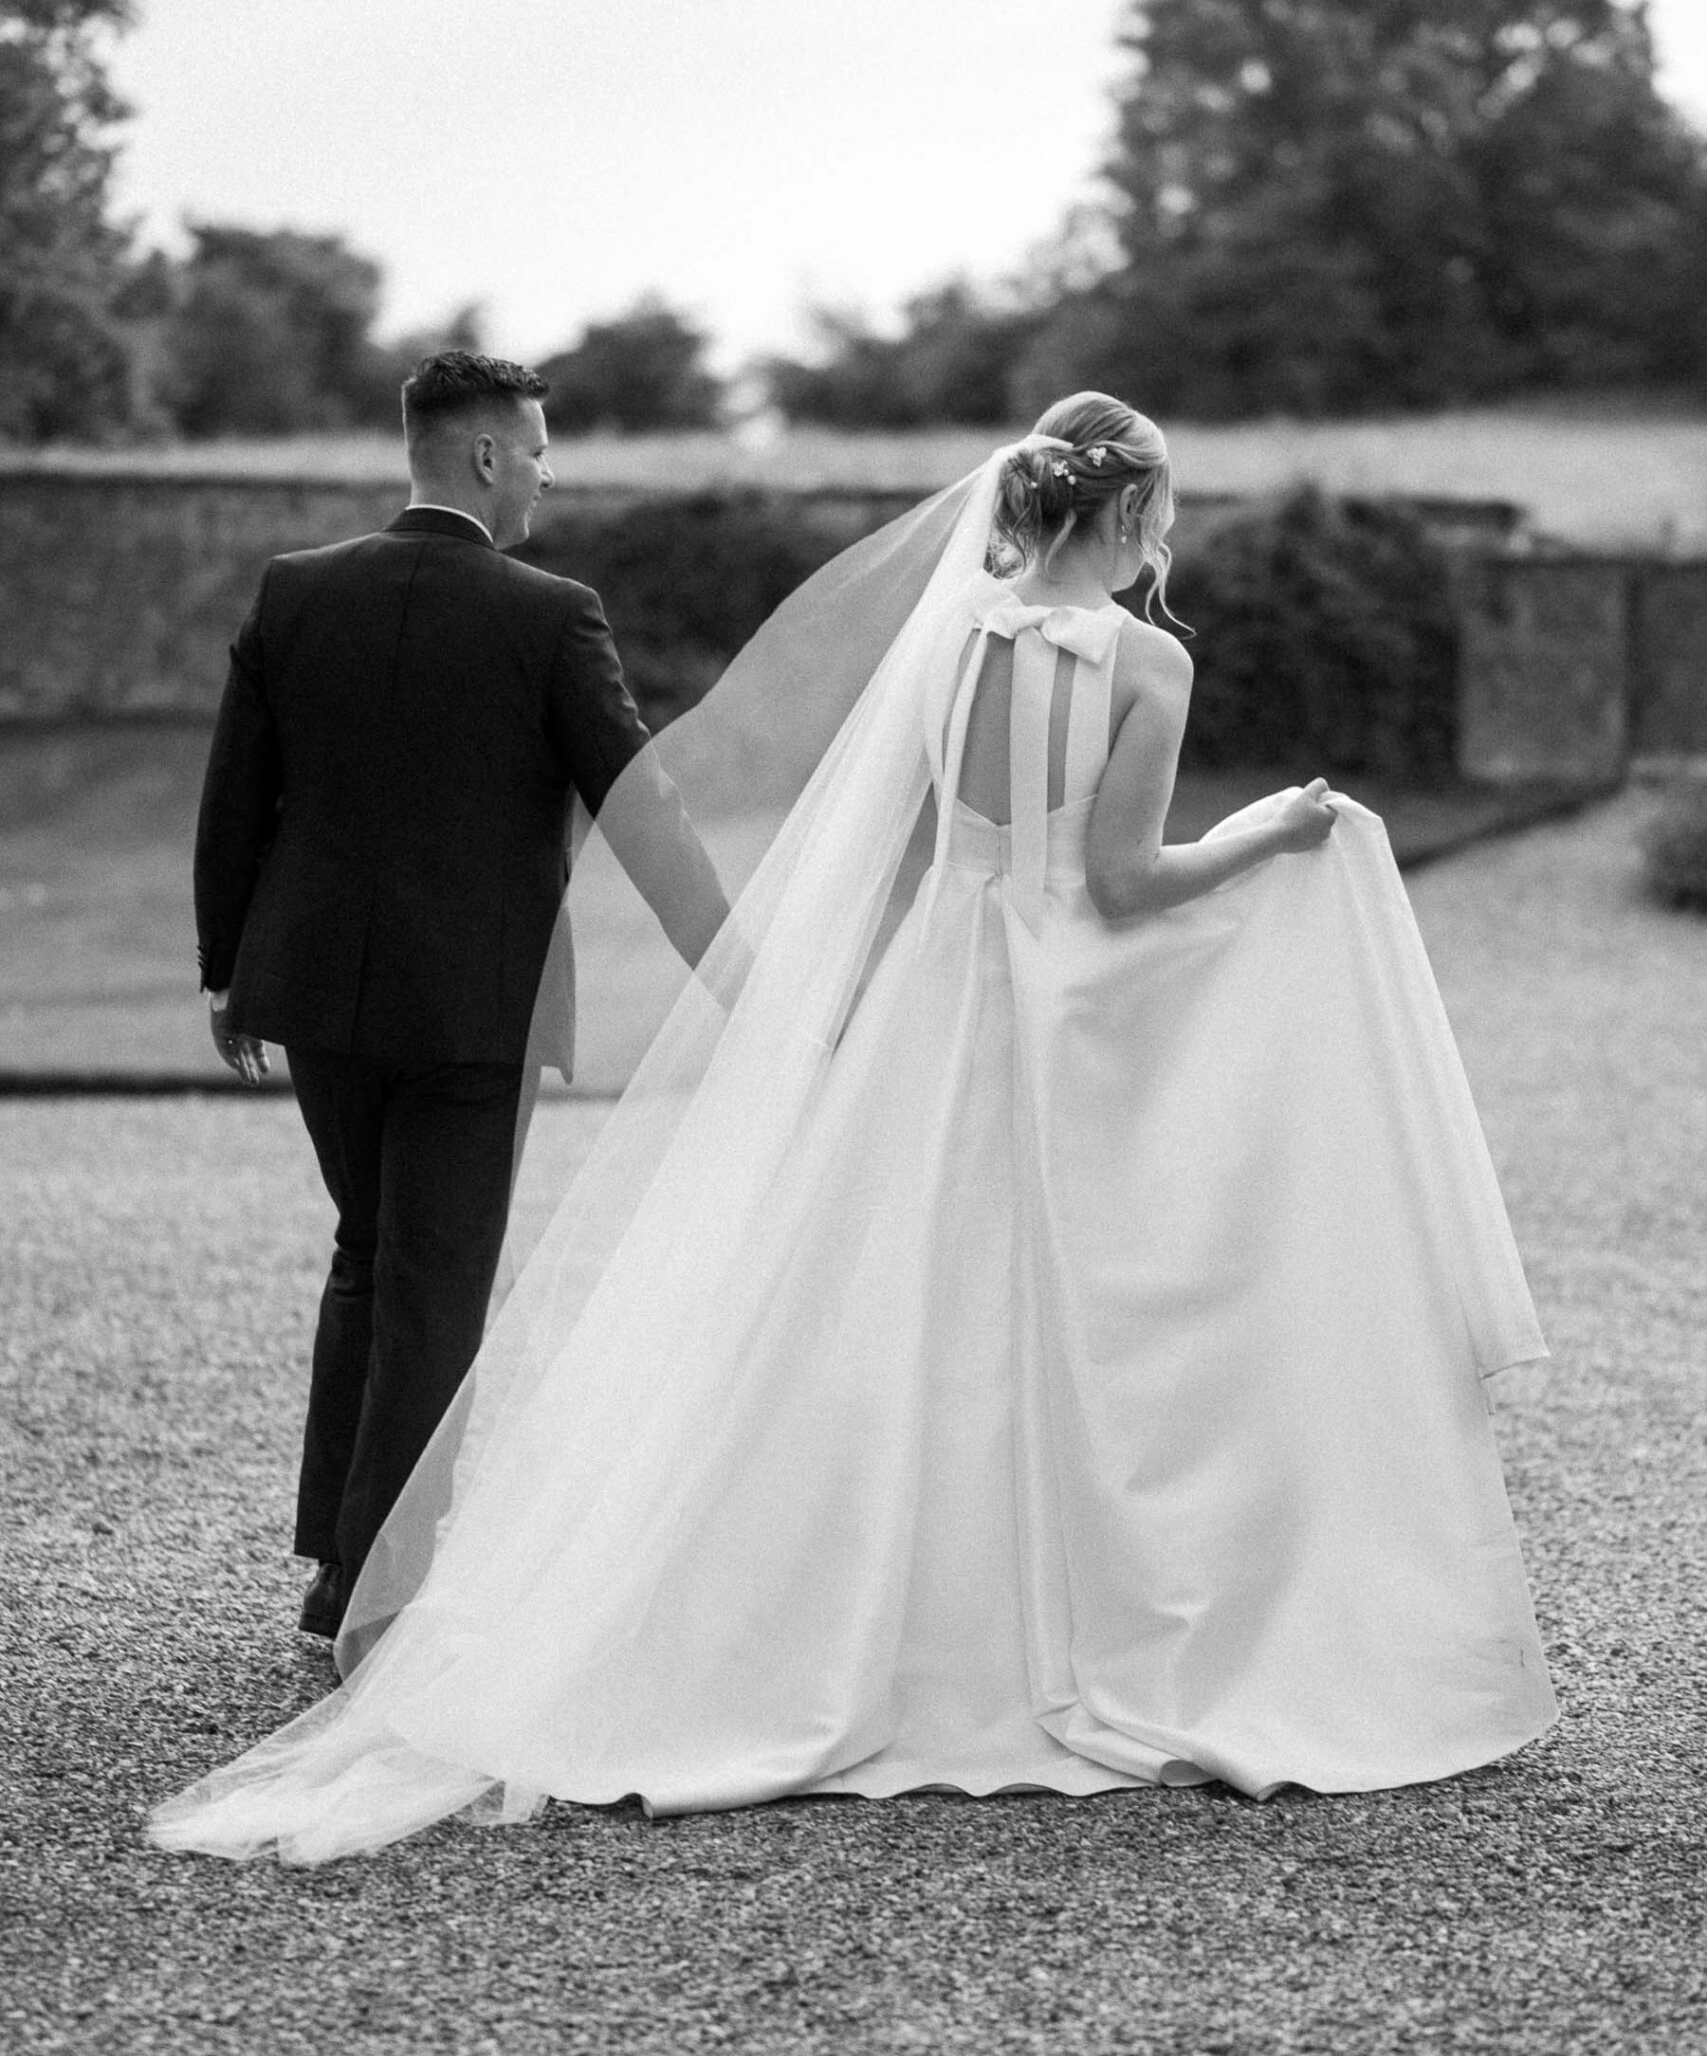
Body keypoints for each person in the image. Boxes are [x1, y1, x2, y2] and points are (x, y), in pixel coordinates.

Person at [153, 391, 1555, 1862]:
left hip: (937, 996)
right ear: (1135, 515)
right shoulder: (1143, 660)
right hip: (1062, 1007)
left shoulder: (948, 640)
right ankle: (1081, 1618)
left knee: (870, 1294)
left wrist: (838, 1009)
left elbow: (896, 855)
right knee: (1100, 1299)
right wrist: (1275, 833)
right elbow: (1128, 884)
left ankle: (790, 1605)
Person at [191, 350, 728, 1642]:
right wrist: (734, 960)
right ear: (486, 456)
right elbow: (639, 809)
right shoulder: (552, 617)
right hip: (474, 1013)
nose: (547, 472)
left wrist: (226, 969)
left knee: (368, 1255)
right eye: (538, 449)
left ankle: (336, 1562)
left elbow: (234, 800)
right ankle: (373, 1588)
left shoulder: (296, 594)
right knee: (434, 1279)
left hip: (317, 995)